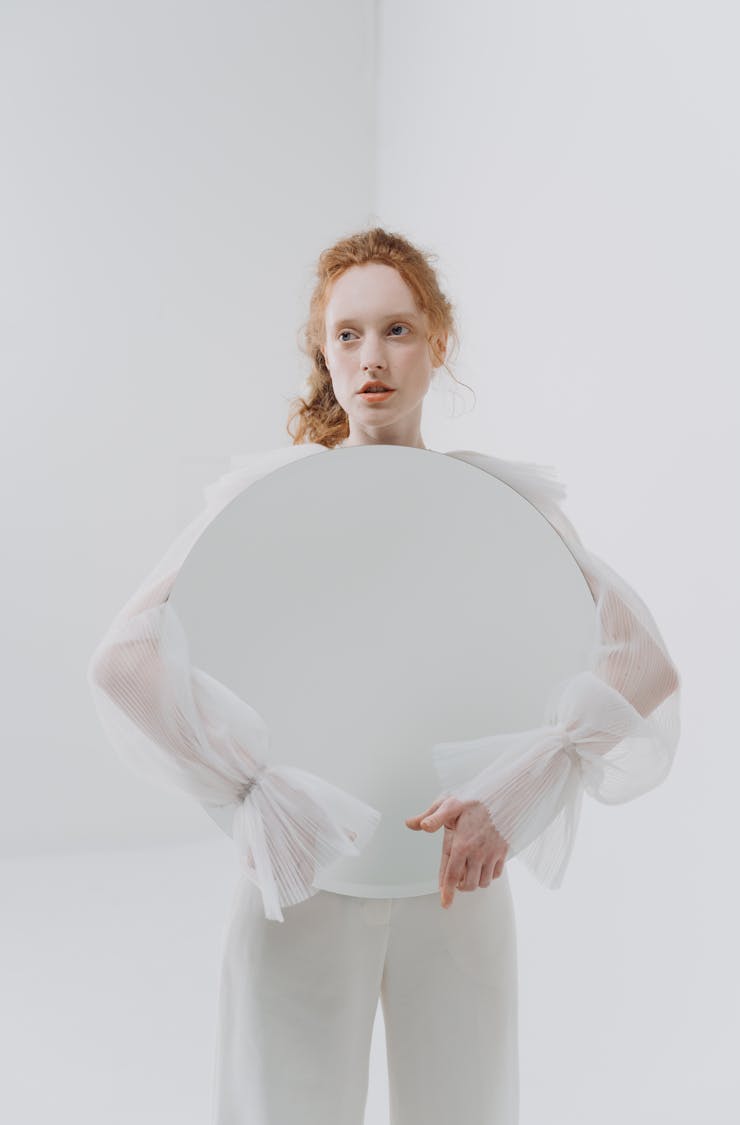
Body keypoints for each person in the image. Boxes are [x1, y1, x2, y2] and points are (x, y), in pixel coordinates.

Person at [87, 226, 681, 1124]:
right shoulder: (273, 501)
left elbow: (643, 662)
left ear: (437, 344)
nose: (373, 357)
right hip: (302, 878)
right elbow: (123, 659)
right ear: (323, 354)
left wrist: (511, 793)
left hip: (452, 872)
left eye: (398, 330)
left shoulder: (496, 508)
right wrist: (258, 787)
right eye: (348, 334)